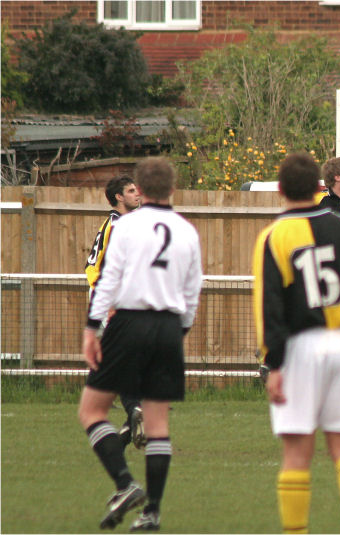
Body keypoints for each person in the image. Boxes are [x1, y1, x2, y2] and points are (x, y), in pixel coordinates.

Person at [254, 152, 340, 534]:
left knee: (297, 453)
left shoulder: (273, 237)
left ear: (280, 189)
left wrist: (274, 364)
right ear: (318, 186)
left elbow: (269, 307)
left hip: (300, 350)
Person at [79, 157, 203, 530]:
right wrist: (179, 331)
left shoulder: (127, 228)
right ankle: (152, 512)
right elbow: (192, 291)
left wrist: (91, 328)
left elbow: (108, 280)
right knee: (158, 423)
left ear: (142, 191)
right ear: (172, 189)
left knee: (91, 411)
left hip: (129, 321)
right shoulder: (186, 231)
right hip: (168, 326)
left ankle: (125, 484)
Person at [85, 174, 145, 450]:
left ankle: (130, 416)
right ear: (119, 197)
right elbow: (96, 268)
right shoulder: (116, 225)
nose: (137, 194)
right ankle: (133, 410)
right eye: (131, 190)